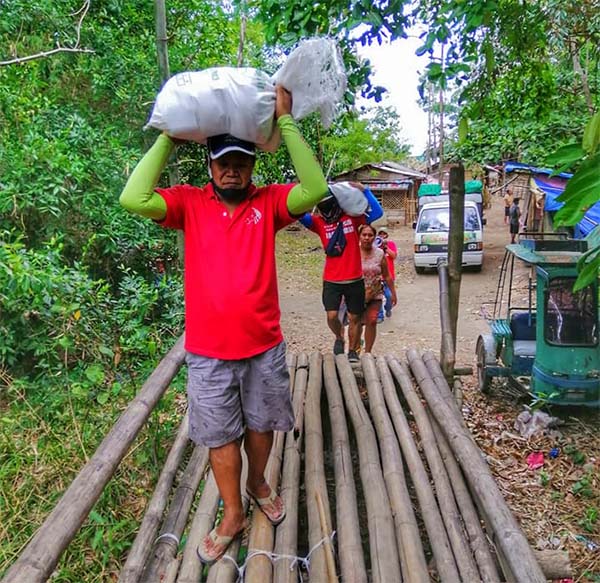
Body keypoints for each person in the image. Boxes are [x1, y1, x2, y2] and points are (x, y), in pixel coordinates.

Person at [119, 86, 329, 564]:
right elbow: (133, 198)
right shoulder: (189, 204)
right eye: (223, 162)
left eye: (242, 161)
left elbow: (315, 190)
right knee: (218, 436)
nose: (232, 169)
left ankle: (258, 483)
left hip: (263, 346)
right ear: (209, 165)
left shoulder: (270, 202)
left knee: (261, 425)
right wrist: (169, 136)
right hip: (209, 351)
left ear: (254, 165)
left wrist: (286, 120)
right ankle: (232, 511)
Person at [299, 184, 383, 362]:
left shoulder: (352, 219)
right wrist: (306, 193)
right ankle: (339, 336)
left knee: (355, 317)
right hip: (331, 280)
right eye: (323, 206)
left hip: (354, 279)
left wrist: (364, 190)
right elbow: (297, 214)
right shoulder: (318, 223)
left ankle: (352, 351)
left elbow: (376, 213)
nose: (327, 209)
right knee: (331, 316)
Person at [359, 224, 397, 353]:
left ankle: (368, 352)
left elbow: (387, 275)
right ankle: (355, 348)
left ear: (374, 237)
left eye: (370, 235)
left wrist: (393, 293)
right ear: (359, 236)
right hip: (356, 293)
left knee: (372, 320)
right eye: (364, 235)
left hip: (375, 292)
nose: (367, 238)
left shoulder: (380, 253)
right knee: (357, 322)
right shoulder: (353, 253)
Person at [376, 226, 397, 320]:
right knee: (378, 297)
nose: (382, 236)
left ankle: (388, 308)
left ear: (386, 235)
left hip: (389, 276)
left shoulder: (391, 244)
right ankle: (380, 315)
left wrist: (386, 248)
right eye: (380, 234)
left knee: (389, 296)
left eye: (384, 234)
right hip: (378, 277)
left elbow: (394, 256)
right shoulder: (375, 245)